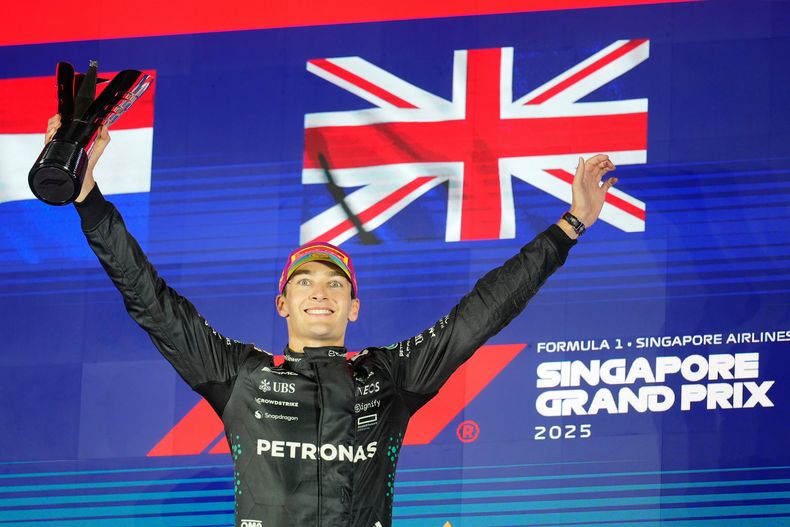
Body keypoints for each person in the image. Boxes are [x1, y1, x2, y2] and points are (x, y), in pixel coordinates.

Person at [45, 115, 617, 527]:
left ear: (353, 307)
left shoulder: (391, 374)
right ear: (283, 304)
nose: (320, 293)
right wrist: (88, 198)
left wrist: (571, 225)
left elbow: (484, 310)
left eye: (335, 285)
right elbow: (150, 299)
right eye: (305, 283)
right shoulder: (239, 374)